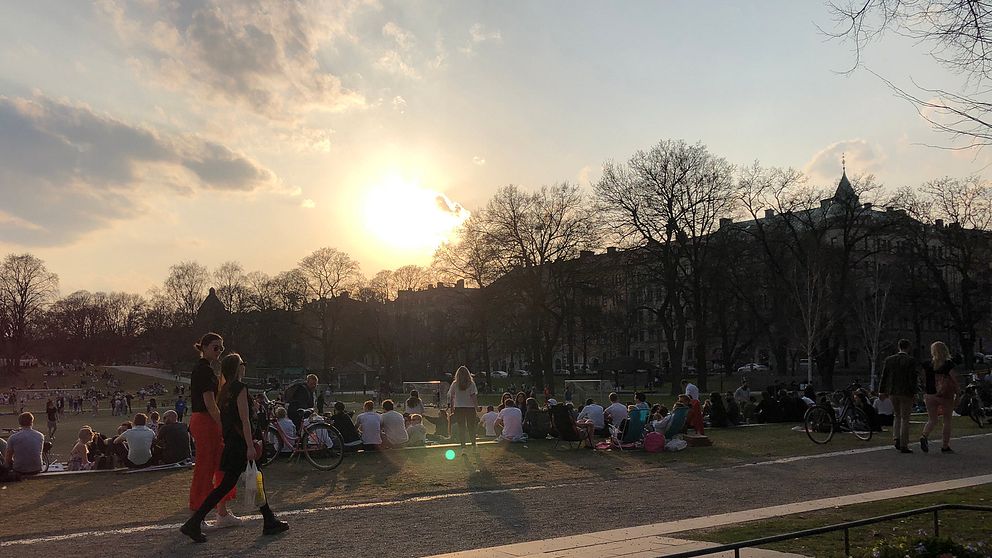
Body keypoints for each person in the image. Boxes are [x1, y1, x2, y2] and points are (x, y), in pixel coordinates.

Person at [180, 354, 288, 543]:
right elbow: (244, 420)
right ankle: (194, 522)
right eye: (242, 364)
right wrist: (249, 445)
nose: (244, 367)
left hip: (232, 442)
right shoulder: (239, 388)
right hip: (240, 443)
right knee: (231, 484)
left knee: (250, 478)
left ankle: (269, 518)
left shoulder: (224, 390)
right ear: (237, 368)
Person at [188, 332, 239, 526]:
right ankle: (197, 514)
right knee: (206, 467)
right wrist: (223, 425)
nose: (219, 351)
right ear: (205, 347)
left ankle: (222, 512)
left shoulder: (207, 369)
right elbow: (209, 403)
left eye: (221, 348)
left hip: (208, 420)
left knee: (221, 465)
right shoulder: (204, 371)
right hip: (206, 421)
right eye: (216, 347)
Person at [878, 338, 921, 453]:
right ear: (908, 347)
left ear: (898, 347)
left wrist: (881, 391)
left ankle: (896, 437)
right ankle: (904, 444)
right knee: (905, 418)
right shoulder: (910, 361)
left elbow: (884, 376)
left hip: (893, 391)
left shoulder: (889, 360)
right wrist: (915, 392)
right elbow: (912, 378)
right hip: (906, 391)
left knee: (897, 415)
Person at [920, 341, 960, 453]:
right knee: (947, 420)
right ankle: (945, 446)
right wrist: (958, 393)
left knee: (932, 419)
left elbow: (923, 378)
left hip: (930, 394)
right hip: (945, 395)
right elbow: (954, 380)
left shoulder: (927, 364)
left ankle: (924, 435)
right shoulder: (948, 364)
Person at [448, 366, 479, 452]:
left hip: (459, 408)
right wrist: (476, 407)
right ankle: (473, 445)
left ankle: (463, 447)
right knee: (471, 427)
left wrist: (451, 408)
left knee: (461, 427)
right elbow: (473, 396)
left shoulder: (455, 384)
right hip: (470, 408)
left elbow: (452, 397)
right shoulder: (471, 384)